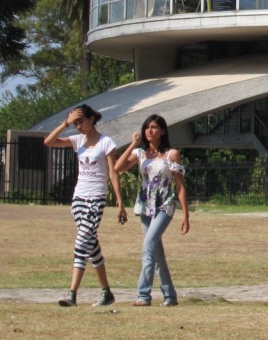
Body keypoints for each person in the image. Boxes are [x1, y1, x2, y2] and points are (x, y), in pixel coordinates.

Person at [44, 104, 127, 308]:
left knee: (82, 242)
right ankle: (107, 292)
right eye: (76, 122)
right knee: (91, 246)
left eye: (81, 121)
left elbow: (113, 173)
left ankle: (72, 294)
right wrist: (66, 123)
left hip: (96, 198)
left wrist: (120, 202)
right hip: (78, 199)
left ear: (92, 120)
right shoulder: (77, 140)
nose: (78, 126)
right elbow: (48, 142)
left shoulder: (106, 142)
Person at [113, 114, 189, 307]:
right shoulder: (140, 153)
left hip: (165, 204)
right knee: (156, 254)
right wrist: (132, 145)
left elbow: (179, 185)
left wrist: (186, 214)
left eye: (154, 127)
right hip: (146, 205)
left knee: (148, 246)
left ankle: (143, 295)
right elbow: (118, 167)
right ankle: (170, 296)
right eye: (147, 127)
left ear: (162, 130)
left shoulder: (172, 154)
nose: (149, 131)